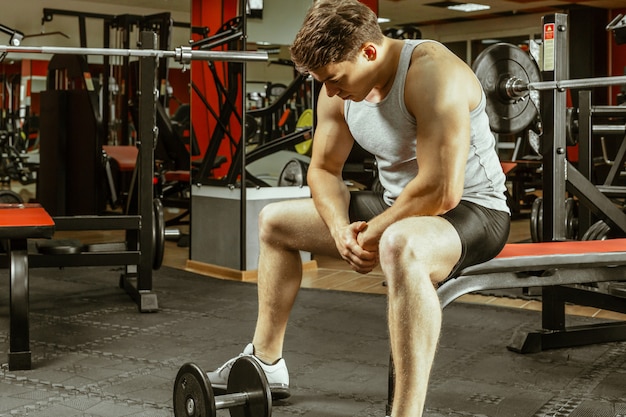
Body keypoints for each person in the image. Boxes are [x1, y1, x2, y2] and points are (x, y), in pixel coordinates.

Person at [207, 1, 510, 415]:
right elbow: (323, 171)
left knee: (399, 245)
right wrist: (338, 231)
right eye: (323, 82)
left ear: (369, 52)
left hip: (475, 212)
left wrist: (372, 232)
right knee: (275, 221)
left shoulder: (433, 72)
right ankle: (266, 359)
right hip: (396, 204)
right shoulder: (337, 85)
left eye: (334, 80)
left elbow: (442, 190)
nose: (329, 93)